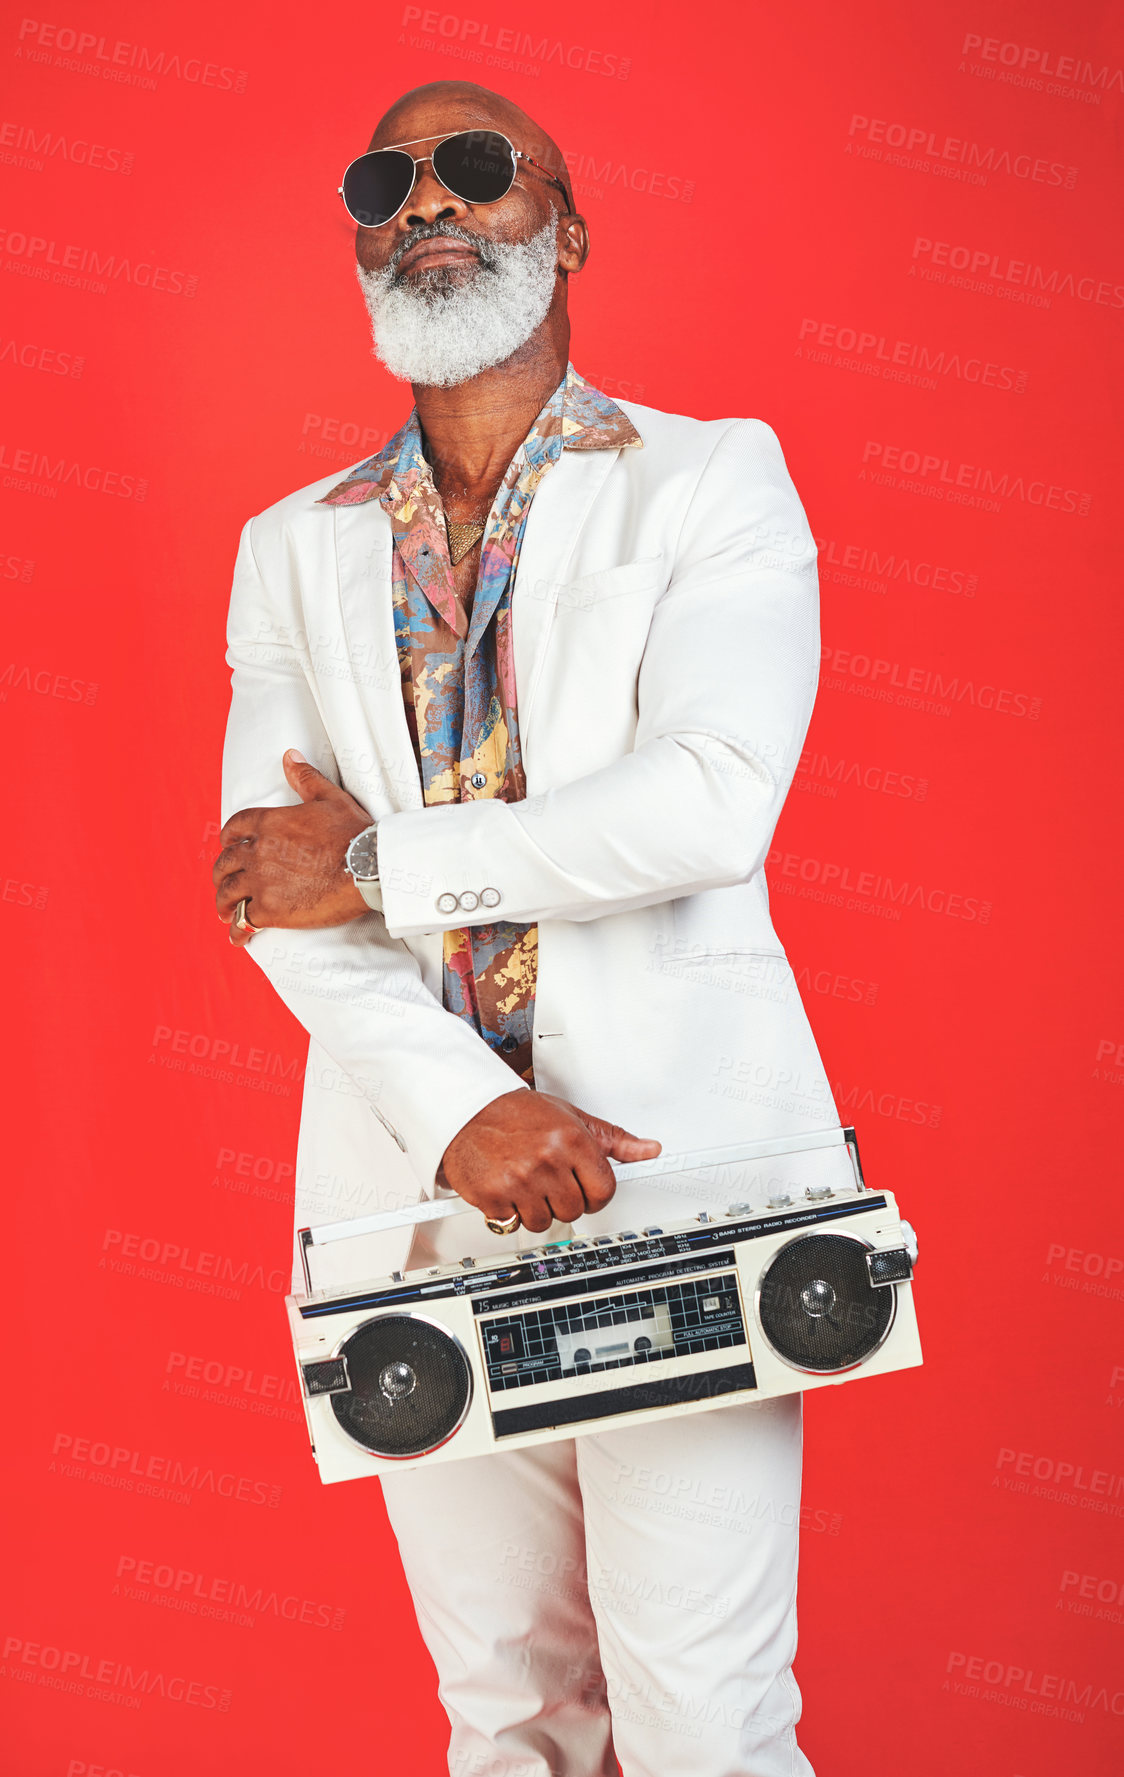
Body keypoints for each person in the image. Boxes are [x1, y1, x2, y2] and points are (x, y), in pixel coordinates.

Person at [214, 76, 840, 1777]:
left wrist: (392, 866)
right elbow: (272, 885)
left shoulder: (711, 482)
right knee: (509, 1721)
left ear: (565, 227)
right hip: (417, 1194)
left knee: (706, 1718)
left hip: (678, 1169)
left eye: (477, 169)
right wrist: (465, 1109)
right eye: (386, 180)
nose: (427, 200)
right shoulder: (289, 552)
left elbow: (710, 797)